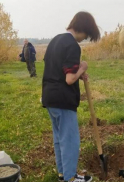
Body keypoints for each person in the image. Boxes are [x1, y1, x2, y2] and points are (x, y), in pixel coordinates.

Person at [42, 12, 100, 182]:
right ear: (82, 29)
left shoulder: (55, 40)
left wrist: (78, 74)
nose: (84, 38)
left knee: (59, 139)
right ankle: (71, 178)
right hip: (63, 100)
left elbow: (59, 68)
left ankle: (63, 174)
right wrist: (82, 68)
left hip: (49, 97)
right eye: (87, 35)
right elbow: (69, 79)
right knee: (70, 141)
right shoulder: (72, 45)